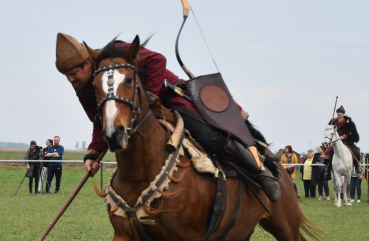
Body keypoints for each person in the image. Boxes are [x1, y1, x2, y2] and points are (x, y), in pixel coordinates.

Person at [55, 33, 281, 202]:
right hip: (134, 117)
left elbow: (158, 60)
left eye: (73, 74)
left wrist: (150, 98)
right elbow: (99, 119)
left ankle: (261, 172)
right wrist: (92, 153)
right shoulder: (86, 86)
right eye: (67, 76)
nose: (71, 80)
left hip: (167, 96)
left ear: (87, 63)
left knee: (210, 138)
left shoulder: (118, 51)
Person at [325, 105, 360, 171]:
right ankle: (328, 168)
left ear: (343, 113)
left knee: (356, 152)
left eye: (340, 112)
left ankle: (357, 167)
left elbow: (351, 132)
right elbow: (329, 131)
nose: (339, 113)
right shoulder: (333, 122)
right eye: (338, 112)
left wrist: (344, 136)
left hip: (346, 142)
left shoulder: (348, 122)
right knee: (328, 153)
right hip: (336, 142)